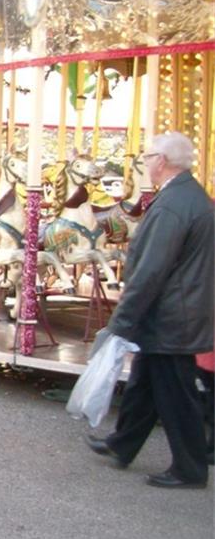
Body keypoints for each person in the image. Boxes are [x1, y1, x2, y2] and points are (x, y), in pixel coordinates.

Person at [85, 131, 213, 489]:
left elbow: (151, 269)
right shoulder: (187, 197)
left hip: (172, 315)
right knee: (144, 382)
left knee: (176, 392)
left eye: (146, 157)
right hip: (176, 311)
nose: (144, 164)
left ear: (161, 161)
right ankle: (123, 443)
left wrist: (122, 320)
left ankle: (190, 469)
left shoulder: (173, 204)